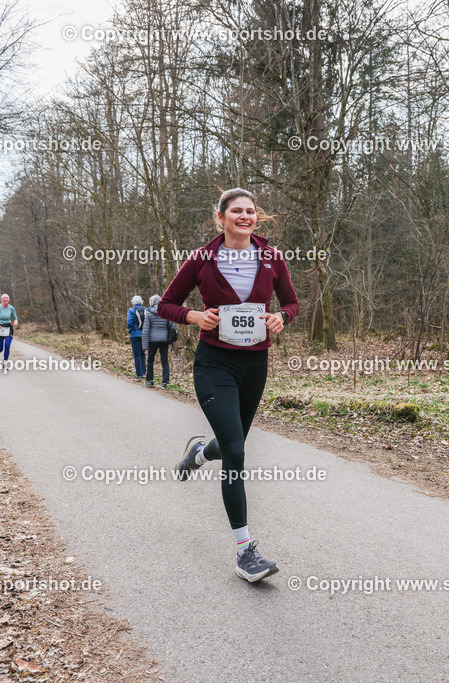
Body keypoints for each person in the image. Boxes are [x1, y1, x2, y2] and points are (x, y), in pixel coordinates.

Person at [158, 188, 298, 583]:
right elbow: (166, 303)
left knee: (231, 441)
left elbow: (291, 303)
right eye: (236, 211)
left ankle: (200, 453)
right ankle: (245, 552)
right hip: (214, 364)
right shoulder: (202, 258)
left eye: (250, 211)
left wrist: (280, 319)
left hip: (254, 363)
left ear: (257, 217)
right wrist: (194, 317)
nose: (244, 216)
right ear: (220, 218)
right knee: (236, 451)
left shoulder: (272, 257)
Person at [141, 294, 175, 388]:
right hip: (164, 339)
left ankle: (150, 380)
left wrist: (144, 346)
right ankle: (165, 382)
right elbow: (171, 326)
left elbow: (146, 330)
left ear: (151, 302)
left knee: (150, 360)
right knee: (164, 360)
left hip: (152, 340)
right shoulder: (165, 312)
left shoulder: (148, 313)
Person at [0, 294, 19, 374]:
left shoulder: (11, 308)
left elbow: (15, 318)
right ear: (2, 300)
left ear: (9, 300)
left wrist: (15, 322)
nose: (5, 299)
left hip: (8, 328)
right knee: (0, 348)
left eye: (7, 298)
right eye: (4, 298)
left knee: (7, 345)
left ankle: (5, 363)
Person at [126, 295, 146, 379]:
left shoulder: (131, 310)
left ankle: (139, 374)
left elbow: (129, 322)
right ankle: (144, 371)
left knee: (137, 354)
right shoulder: (146, 310)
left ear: (133, 302)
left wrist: (130, 330)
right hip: (144, 334)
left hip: (135, 335)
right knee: (143, 354)